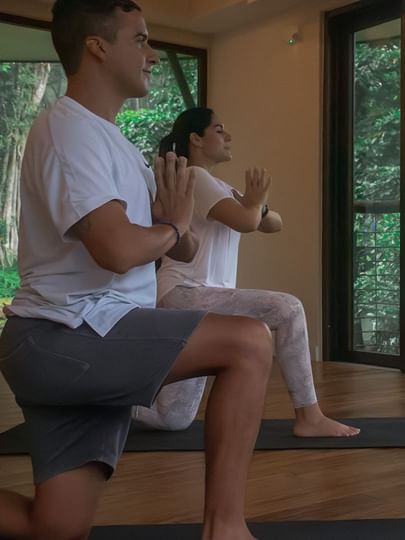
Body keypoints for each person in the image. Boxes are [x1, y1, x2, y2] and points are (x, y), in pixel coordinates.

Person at [0, 2, 272, 538]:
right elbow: (119, 249)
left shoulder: (117, 142)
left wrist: (175, 224)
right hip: (67, 335)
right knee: (249, 343)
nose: (152, 54)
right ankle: (226, 527)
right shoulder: (68, 130)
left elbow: (181, 249)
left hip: (80, 335)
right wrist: (170, 229)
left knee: (55, 527)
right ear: (97, 46)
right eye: (141, 39)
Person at [131, 107, 359, 438]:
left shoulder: (218, 184)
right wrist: (255, 204)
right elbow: (246, 222)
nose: (229, 137)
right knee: (287, 308)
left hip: (199, 298)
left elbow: (272, 223)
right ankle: (309, 416)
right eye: (219, 130)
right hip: (186, 292)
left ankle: (98, 404)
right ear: (196, 139)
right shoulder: (197, 177)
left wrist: (257, 204)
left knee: (172, 418)